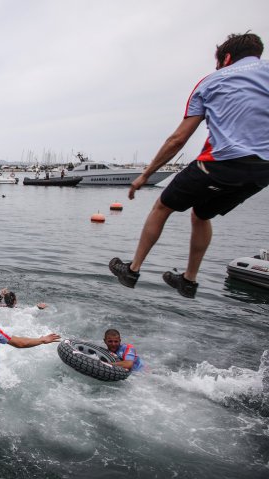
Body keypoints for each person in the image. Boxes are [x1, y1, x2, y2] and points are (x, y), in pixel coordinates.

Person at [110, 32, 269, 299]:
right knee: (201, 214)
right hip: (262, 172)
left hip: (221, 163)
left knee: (162, 207)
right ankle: (188, 281)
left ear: (226, 58)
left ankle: (132, 270)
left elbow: (178, 140)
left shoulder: (212, 81)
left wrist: (144, 176)